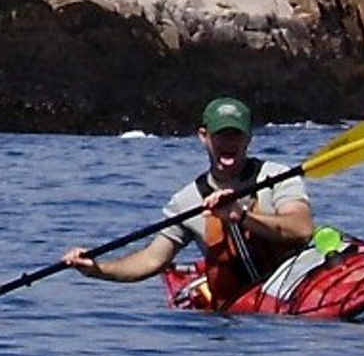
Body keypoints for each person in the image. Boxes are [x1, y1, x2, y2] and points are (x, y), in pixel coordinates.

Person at [63, 97, 315, 308]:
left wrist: (241, 215)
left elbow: (302, 230)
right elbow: (152, 260)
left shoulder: (278, 177)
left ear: (249, 138)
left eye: (235, 135)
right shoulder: (186, 201)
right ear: (204, 136)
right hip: (241, 308)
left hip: (299, 290)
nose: (228, 143)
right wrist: (98, 269)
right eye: (220, 135)